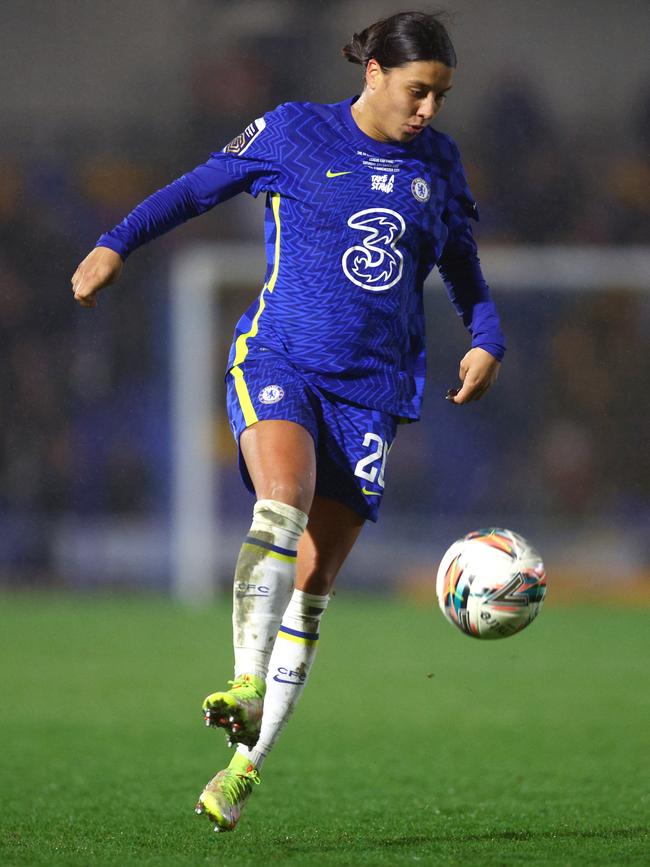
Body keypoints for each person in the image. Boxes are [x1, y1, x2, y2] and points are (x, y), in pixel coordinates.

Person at [71, 11, 505, 833]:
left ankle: (243, 768)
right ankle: (242, 679)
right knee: (283, 498)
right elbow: (198, 186)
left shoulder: (436, 164)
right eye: (418, 91)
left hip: (372, 394)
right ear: (373, 72)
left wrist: (487, 339)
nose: (428, 112)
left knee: (314, 585)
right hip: (281, 359)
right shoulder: (295, 132)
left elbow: (462, 264)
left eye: (441, 96)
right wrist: (114, 244)